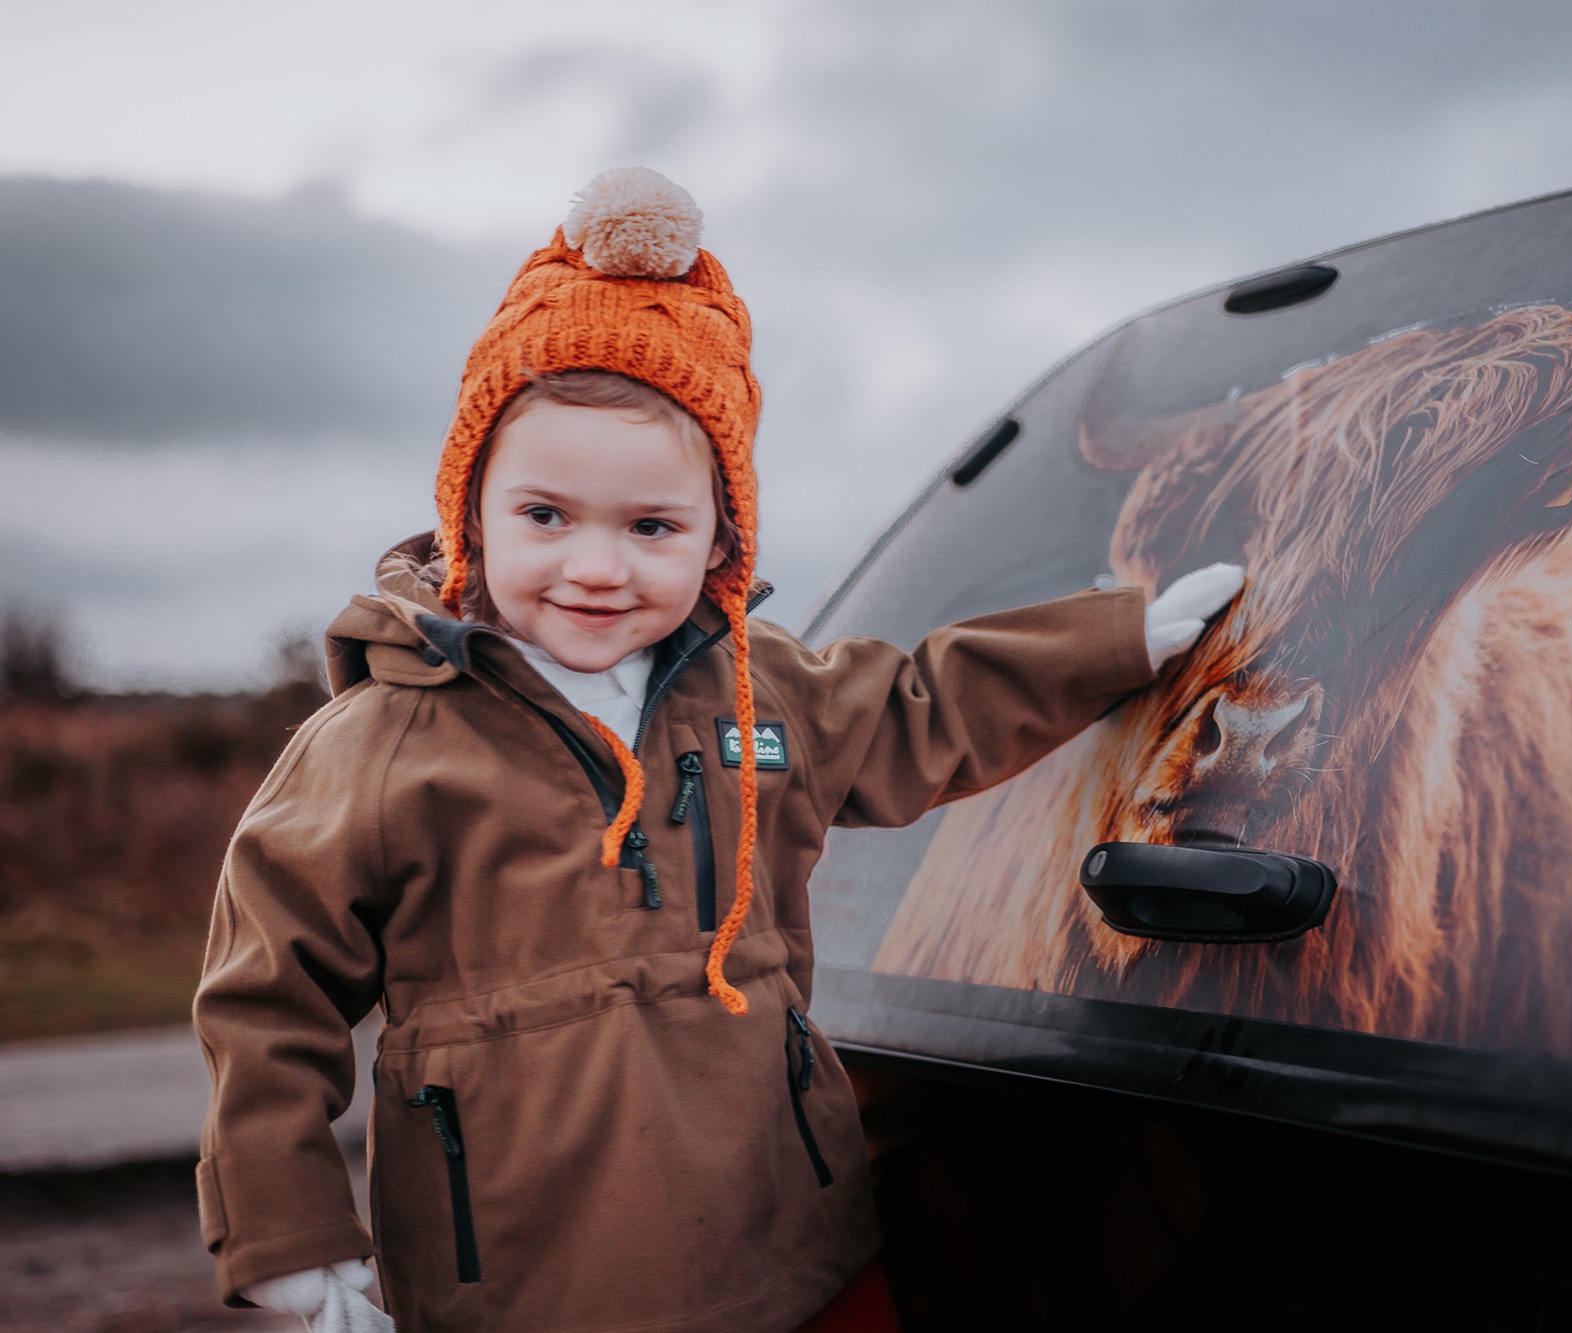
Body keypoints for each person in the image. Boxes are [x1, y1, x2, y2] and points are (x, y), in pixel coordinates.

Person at [193, 167, 1244, 1333]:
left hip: (797, 1250)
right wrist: (288, 1234)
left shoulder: (761, 685)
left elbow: (919, 709)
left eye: (651, 526)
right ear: (470, 512)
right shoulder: (384, 742)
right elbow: (264, 999)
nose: (596, 565)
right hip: (526, 1285)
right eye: (545, 515)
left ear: (718, 538)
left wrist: (1111, 639)